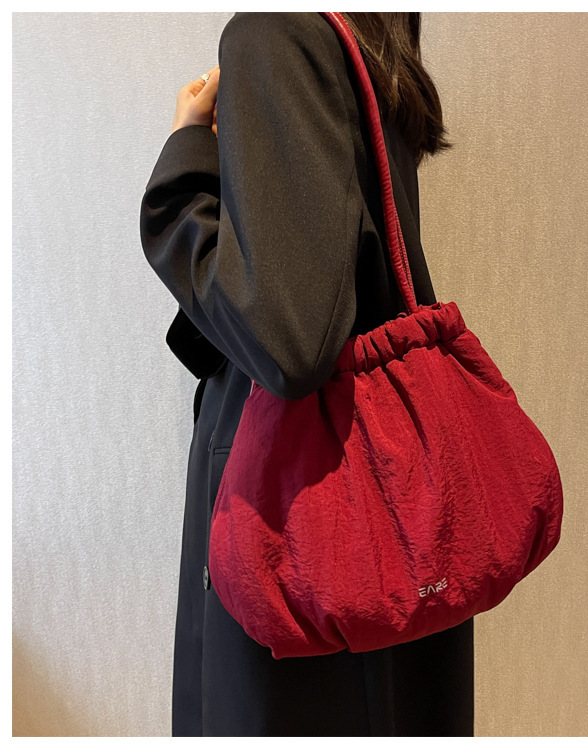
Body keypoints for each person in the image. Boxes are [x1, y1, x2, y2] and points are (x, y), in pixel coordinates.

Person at [139, 11, 474, 737]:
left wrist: (184, 170)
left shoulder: (276, 31)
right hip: (392, 501)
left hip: (300, 517)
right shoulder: (369, 35)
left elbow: (288, 342)